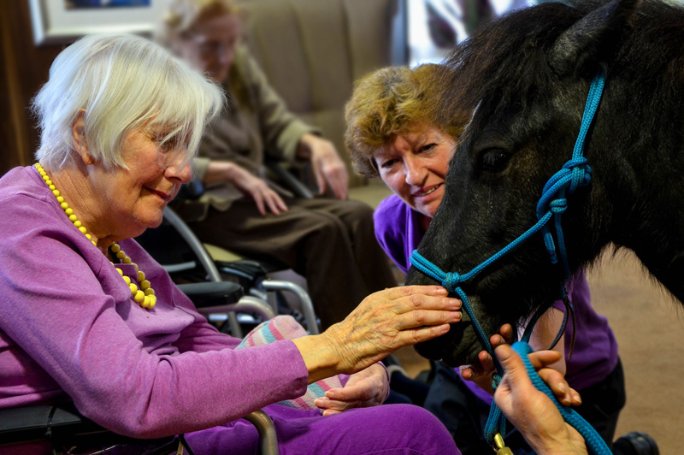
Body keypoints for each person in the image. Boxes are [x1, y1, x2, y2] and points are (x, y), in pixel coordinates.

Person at [0, 33, 464, 455]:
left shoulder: (105, 232)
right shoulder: (19, 223)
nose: (184, 170)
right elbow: (135, 397)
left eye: (187, 149)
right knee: (410, 433)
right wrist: (334, 346)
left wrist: (338, 367)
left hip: (175, 425)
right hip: (113, 443)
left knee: (386, 414)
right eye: (165, 142)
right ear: (84, 134)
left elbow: (193, 337)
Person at [344, 64, 629, 453]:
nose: (413, 176)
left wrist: (527, 368)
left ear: (466, 139)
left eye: (427, 148)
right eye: (390, 163)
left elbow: (544, 336)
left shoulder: (525, 210)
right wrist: (372, 366)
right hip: (468, 376)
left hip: (574, 378)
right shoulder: (392, 223)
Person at [155, 0, 398, 330]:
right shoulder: (160, 81)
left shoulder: (235, 64)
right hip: (206, 207)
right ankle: (351, 354)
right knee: (322, 232)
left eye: (232, 42)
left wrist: (315, 144)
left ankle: (391, 337)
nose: (226, 56)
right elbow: (158, 156)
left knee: (357, 215)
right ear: (178, 39)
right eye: (212, 46)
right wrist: (224, 170)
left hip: (258, 197)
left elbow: (275, 122)